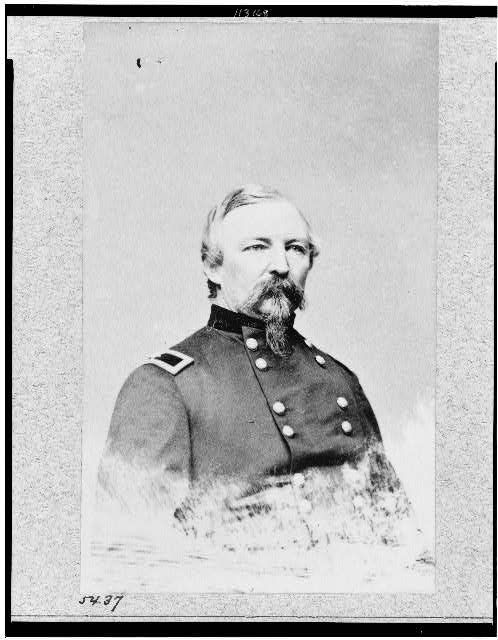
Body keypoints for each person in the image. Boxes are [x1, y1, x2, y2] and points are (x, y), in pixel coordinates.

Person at [98, 185, 396, 503]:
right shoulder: (165, 385)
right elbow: (135, 530)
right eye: (257, 247)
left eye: (296, 248)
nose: (281, 265)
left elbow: (396, 521)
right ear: (213, 267)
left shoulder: (341, 380)